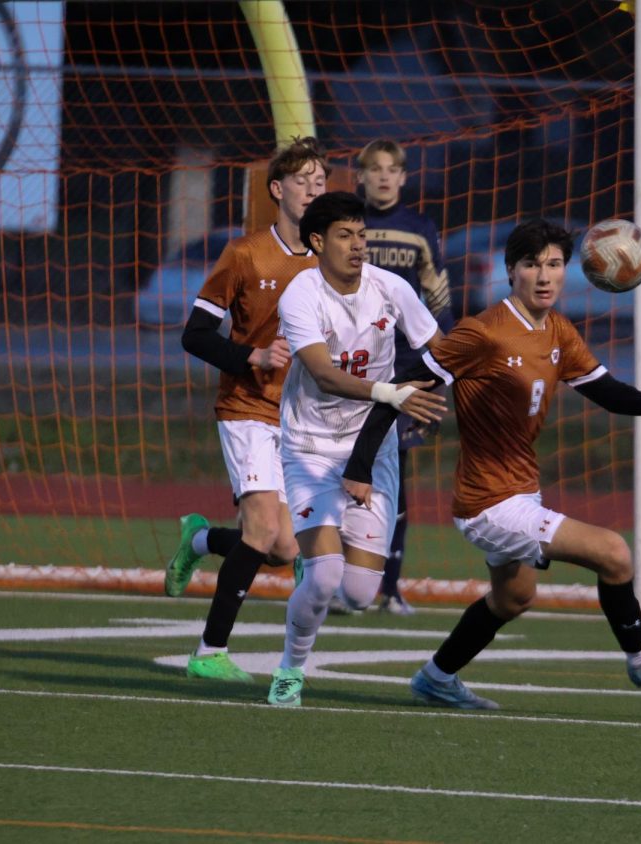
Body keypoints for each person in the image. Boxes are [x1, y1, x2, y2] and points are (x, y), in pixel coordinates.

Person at [342, 219, 641, 710]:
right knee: (615, 553)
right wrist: (360, 466)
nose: (544, 275)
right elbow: (398, 389)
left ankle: (436, 677)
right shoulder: (484, 333)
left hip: (520, 492)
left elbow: (607, 393)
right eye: (532, 264)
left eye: (554, 264)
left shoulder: (558, 329)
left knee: (513, 599)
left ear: (566, 271)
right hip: (487, 504)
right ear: (511, 270)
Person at [267, 190, 447, 707]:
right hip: (310, 447)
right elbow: (323, 375)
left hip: (375, 449)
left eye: (362, 234)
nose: (358, 245)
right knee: (324, 578)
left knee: (361, 594)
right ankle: (290, 670)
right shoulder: (301, 295)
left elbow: (438, 349)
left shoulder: (391, 288)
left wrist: (475, 372)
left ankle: (315, 562)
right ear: (318, 241)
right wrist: (393, 392)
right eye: (345, 235)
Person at [164, 136, 328, 684]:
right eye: (302, 180)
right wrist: (250, 354)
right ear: (278, 190)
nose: (313, 188)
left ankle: (200, 540)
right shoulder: (244, 254)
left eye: (321, 180)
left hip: (298, 419)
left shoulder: (335, 263)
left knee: (281, 549)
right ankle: (208, 651)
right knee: (261, 532)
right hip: (247, 408)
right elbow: (194, 335)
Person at [355, 138, 455, 615]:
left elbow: (438, 301)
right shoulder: (348, 226)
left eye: (391, 169)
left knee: (394, 477)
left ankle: (389, 586)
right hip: (350, 368)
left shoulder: (419, 230)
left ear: (403, 176)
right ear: (360, 176)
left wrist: (442, 370)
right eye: (373, 169)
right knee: (342, 473)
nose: (382, 177)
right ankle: (344, 578)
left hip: (405, 373)